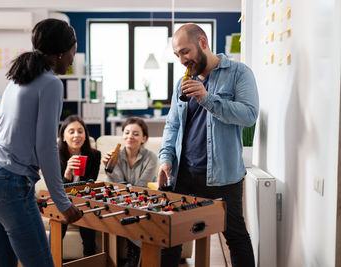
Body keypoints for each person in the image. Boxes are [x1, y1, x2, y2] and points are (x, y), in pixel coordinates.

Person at [0, 18, 82, 267]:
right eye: (72, 53)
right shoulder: (51, 83)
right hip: (5, 181)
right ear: (60, 53)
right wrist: (62, 203)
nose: (72, 60)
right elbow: (46, 147)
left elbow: (11, 136)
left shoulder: (18, 77)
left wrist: (23, 192)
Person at [158, 23, 259, 267]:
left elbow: (249, 115)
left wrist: (207, 98)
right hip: (183, 175)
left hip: (224, 178)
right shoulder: (180, 83)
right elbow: (172, 125)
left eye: (185, 51)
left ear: (203, 42)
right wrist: (165, 158)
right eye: (177, 55)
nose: (182, 60)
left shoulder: (239, 73)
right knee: (169, 238)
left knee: (235, 237)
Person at [102, 116, 157, 267]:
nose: (130, 137)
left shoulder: (151, 157)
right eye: (126, 133)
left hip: (142, 200)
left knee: (136, 210)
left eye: (135, 134)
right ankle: (134, 253)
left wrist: (127, 189)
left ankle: (134, 254)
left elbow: (141, 186)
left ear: (144, 138)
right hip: (121, 199)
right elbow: (117, 185)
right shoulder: (115, 155)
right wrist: (110, 168)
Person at [58, 114, 101, 257]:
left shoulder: (95, 156)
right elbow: (57, 189)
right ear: (63, 136)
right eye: (71, 132)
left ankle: (89, 260)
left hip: (83, 202)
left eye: (80, 131)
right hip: (62, 201)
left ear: (85, 135)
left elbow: (90, 184)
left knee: (88, 230)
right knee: (60, 224)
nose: (77, 135)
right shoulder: (55, 156)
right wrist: (67, 174)